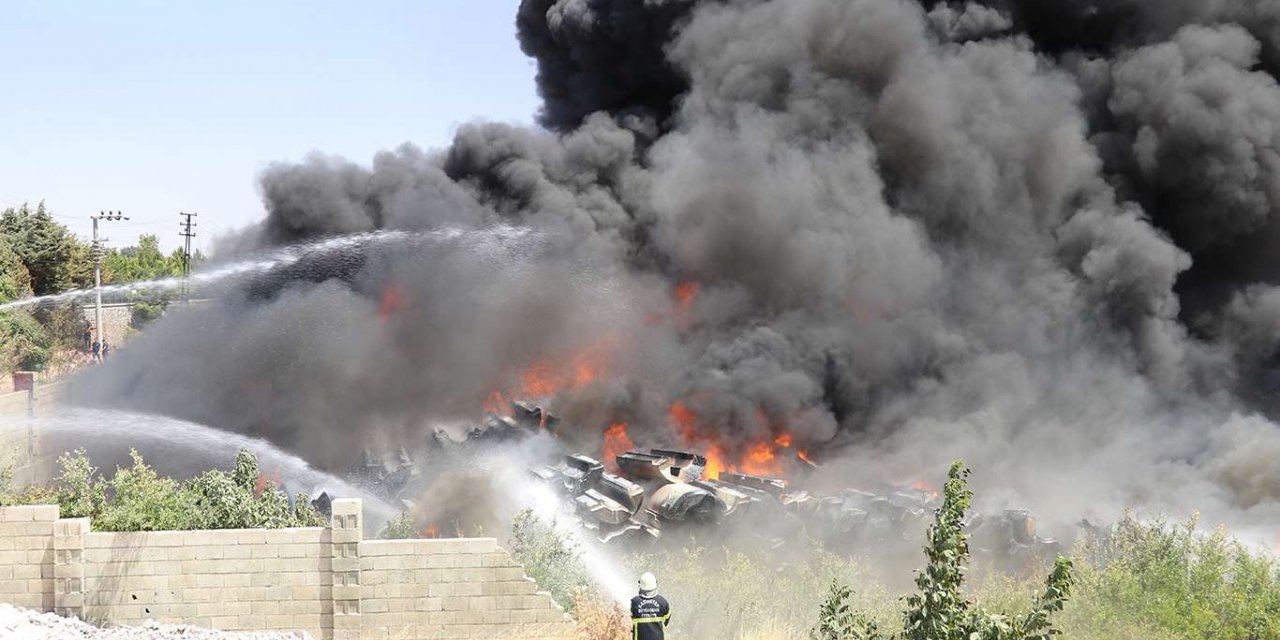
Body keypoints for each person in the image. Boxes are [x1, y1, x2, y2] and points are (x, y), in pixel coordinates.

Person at [630, 572, 670, 640]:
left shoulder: (634, 602)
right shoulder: (662, 602)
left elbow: (630, 617)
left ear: (640, 585)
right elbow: (666, 620)